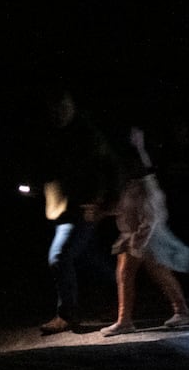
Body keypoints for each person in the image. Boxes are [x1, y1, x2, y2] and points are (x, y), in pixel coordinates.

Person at [21, 86, 119, 336]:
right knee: (89, 258)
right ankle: (125, 296)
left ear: (73, 106)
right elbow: (51, 169)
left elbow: (108, 166)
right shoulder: (51, 134)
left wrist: (102, 202)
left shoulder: (86, 133)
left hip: (82, 209)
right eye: (55, 108)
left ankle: (67, 314)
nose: (60, 112)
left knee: (60, 257)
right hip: (59, 208)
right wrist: (36, 187)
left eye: (65, 106)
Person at [99, 127, 189, 335]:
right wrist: (102, 211)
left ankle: (178, 310)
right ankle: (176, 311)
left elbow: (150, 217)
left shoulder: (145, 183)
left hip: (146, 235)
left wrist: (137, 243)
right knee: (139, 272)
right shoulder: (131, 182)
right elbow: (126, 207)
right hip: (137, 234)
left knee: (141, 272)